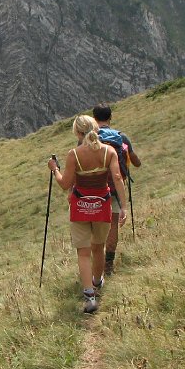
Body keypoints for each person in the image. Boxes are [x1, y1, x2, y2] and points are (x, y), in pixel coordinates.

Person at [48, 114, 128, 313]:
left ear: (77, 132)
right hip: (102, 205)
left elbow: (65, 184)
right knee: (98, 248)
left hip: (80, 206)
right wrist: (124, 206)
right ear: (95, 129)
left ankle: (89, 296)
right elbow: (117, 178)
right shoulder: (109, 151)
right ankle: (97, 282)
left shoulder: (74, 154)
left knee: (83, 252)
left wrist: (54, 170)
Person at [92, 104, 142, 275]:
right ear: (110, 117)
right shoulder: (121, 137)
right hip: (113, 188)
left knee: (95, 228)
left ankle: (94, 265)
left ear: (94, 118)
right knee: (113, 226)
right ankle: (108, 265)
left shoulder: (87, 138)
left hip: (92, 189)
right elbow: (136, 162)